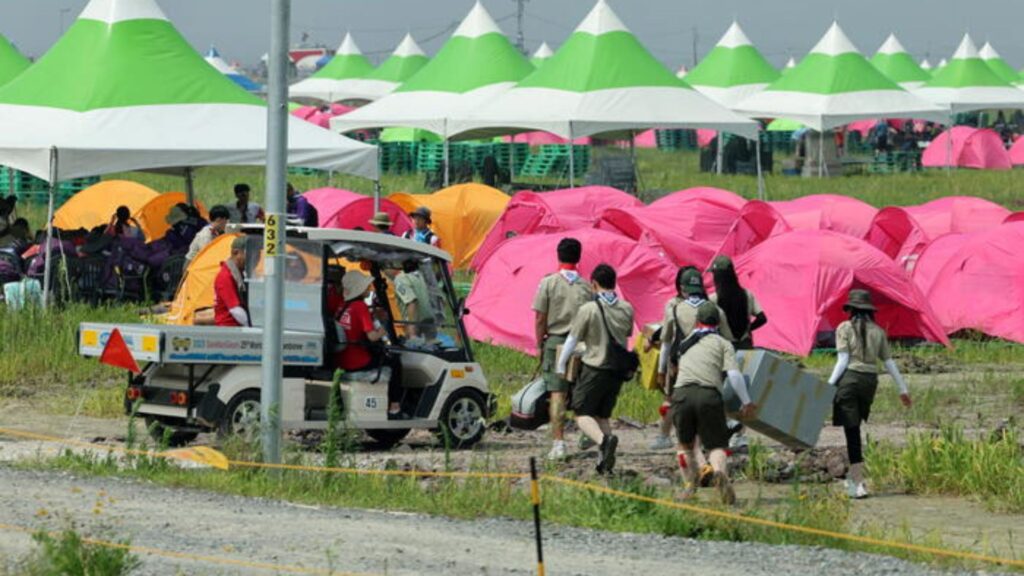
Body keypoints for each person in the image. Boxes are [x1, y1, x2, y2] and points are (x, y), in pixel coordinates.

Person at [826, 289, 912, 500]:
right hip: (869, 383)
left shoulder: (844, 328)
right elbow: (889, 363)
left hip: (850, 381)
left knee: (852, 433)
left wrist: (827, 386)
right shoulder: (879, 331)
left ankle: (858, 483)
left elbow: (843, 361)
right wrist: (903, 390)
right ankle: (857, 481)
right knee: (855, 431)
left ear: (851, 309)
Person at [670, 302, 756, 504]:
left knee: (685, 446)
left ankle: (689, 488)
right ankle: (719, 473)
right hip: (709, 395)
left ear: (697, 321)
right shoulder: (723, 343)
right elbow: (734, 375)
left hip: (681, 394)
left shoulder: (686, 342)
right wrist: (747, 402)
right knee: (717, 445)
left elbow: (676, 367)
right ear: (718, 322)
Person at [556, 264, 634, 475]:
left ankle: (603, 441)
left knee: (581, 413)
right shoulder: (627, 308)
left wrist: (561, 364)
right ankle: (606, 463)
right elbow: (625, 334)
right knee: (602, 415)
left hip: (595, 367)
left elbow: (573, 339)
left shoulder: (589, 309)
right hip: (617, 371)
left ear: (593, 284)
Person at [650, 267, 732, 451]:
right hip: (710, 362)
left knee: (670, 399)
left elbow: (666, 343)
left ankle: (664, 436)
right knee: (709, 400)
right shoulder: (716, 310)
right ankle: (706, 440)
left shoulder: (675, 309)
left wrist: (661, 370)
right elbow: (727, 338)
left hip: (680, 364)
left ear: (683, 288)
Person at [533, 238, 593, 461]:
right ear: (579, 257)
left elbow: (540, 317)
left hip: (556, 341)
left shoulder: (548, 283)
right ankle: (588, 432)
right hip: (581, 345)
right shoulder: (586, 286)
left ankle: (559, 442)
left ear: (558, 256)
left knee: (557, 394)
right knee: (581, 393)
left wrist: (540, 344)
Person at [333, 271, 406, 418]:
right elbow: (372, 337)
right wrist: (385, 327)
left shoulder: (343, 306)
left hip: (342, 359)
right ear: (359, 289)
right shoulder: (360, 306)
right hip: (358, 361)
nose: (370, 289)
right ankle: (394, 406)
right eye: (366, 287)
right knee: (394, 362)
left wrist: (372, 314)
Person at [708, 255, 767, 350]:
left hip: (725, 348)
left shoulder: (713, 299)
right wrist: (748, 329)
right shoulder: (747, 294)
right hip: (746, 346)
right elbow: (762, 318)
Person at [387, 260, 436, 340]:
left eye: (386, 268)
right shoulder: (419, 275)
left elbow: (411, 302)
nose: (385, 271)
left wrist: (411, 330)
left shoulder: (400, 279)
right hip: (429, 322)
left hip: (416, 325)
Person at [213, 236, 249, 327]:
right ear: (236, 253)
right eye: (249, 254)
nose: (254, 258)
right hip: (230, 329)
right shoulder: (225, 276)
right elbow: (235, 310)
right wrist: (251, 327)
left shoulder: (240, 273)